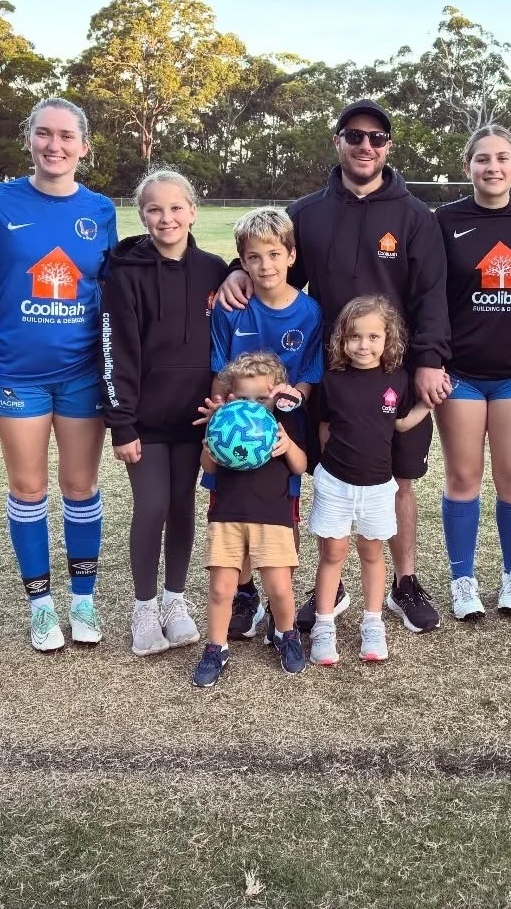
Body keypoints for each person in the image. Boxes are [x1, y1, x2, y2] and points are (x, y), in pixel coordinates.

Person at [217, 99, 452, 635]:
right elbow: (268, 249)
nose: (365, 144)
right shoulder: (309, 211)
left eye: (376, 135)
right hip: (330, 376)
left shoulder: (415, 216)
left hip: (395, 373)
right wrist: (236, 272)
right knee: (331, 477)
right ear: (338, 142)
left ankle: (404, 583)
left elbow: (432, 295)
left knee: (399, 478)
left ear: (388, 145)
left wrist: (430, 361)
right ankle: (334, 586)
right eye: (354, 135)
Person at [0, 98, 117, 653]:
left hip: (83, 374)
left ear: (83, 146)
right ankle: (41, 607)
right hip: (16, 372)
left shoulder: (101, 209)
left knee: (80, 487)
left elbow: (117, 285)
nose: (53, 145)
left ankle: (83, 600)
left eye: (65, 136)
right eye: (43, 134)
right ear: (29, 139)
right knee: (28, 487)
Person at [100, 169, 228, 656]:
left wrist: (236, 267)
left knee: (182, 507)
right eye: (155, 209)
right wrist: (122, 422)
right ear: (142, 215)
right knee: (151, 506)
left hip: (196, 420)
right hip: (145, 423)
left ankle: (176, 601)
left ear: (193, 212)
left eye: (176, 208)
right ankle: (144, 607)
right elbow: (116, 352)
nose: (166, 217)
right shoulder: (126, 273)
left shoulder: (214, 269)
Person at [434, 125, 511, 619]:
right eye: (483, 159)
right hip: (460, 371)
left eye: (502, 158)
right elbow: (431, 292)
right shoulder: (444, 220)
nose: (493, 167)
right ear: (468, 168)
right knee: (462, 476)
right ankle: (463, 581)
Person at [207, 208, 323, 641]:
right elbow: (220, 372)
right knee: (231, 509)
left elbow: (309, 375)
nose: (265, 265)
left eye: (274, 254)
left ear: (291, 255)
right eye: (253, 257)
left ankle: (281, 596)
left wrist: (289, 405)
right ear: (241, 261)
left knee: (282, 510)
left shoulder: (310, 312)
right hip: (234, 434)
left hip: (283, 432)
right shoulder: (231, 308)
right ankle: (244, 593)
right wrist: (225, 417)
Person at [307, 296, 432, 666]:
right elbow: (325, 429)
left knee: (372, 553)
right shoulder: (331, 380)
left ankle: (373, 623)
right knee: (332, 554)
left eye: (373, 337)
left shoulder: (397, 380)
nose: (364, 345)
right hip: (335, 484)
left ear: (388, 338)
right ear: (341, 340)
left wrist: (429, 404)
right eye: (355, 337)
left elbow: (400, 423)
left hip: (379, 487)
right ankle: (324, 625)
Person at [192, 352, 310, 687]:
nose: (253, 405)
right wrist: (212, 443)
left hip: (272, 518)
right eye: (243, 398)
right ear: (230, 399)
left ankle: (286, 636)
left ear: (276, 397)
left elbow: (300, 466)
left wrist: (287, 445)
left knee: (280, 588)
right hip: (227, 518)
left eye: (261, 398)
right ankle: (216, 648)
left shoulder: (281, 426)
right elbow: (209, 468)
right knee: (220, 589)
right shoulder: (223, 426)